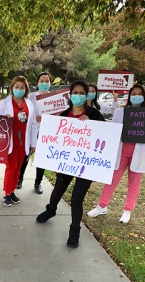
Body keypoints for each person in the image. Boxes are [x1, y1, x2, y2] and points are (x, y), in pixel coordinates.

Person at [36, 80, 105, 248]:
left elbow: (106, 136)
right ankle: (51, 210)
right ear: (70, 95)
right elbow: (54, 138)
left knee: (76, 199)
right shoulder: (63, 115)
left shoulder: (95, 114)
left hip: (86, 164)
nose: (79, 96)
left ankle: (74, 230)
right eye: (76, 92)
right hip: (66, 162)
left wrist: (91, 125)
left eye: (83, 93)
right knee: (57, 190)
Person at [87, 84, 145, 223]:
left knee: (134, 183)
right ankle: (102, 206)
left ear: (144, 96)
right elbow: (114, 130)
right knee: (111, 180)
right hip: (121, 152)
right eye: (133, 94)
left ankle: (127, 210)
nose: (136, 97)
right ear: (129, 96)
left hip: (139, 154)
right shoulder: (120, 111)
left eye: (139, 94)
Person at [0, 76, 37, 207]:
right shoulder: (5, 103)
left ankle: (12, 191)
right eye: (17, 87)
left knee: (18, 168)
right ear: (12, 88)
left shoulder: (29, 103)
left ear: (25, 90)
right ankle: (6, 193)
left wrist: (33, 144)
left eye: (22, 87)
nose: (19, 89)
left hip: (23, 141)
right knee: (11, 167)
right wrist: (4, 117)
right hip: (10, 141)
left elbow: (33, 124)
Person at [17, 71, 51, 194]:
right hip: (31, 131)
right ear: (37, 83)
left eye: (47, 81)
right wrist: (34, 117)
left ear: (50, 83)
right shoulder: (31, 97)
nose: (44, 83)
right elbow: (23, 111)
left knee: (41, 159)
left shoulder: (54, 99)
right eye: (42, 81)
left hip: (46, 133)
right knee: (26, 156)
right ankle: (19, 179)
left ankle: (38, 183)